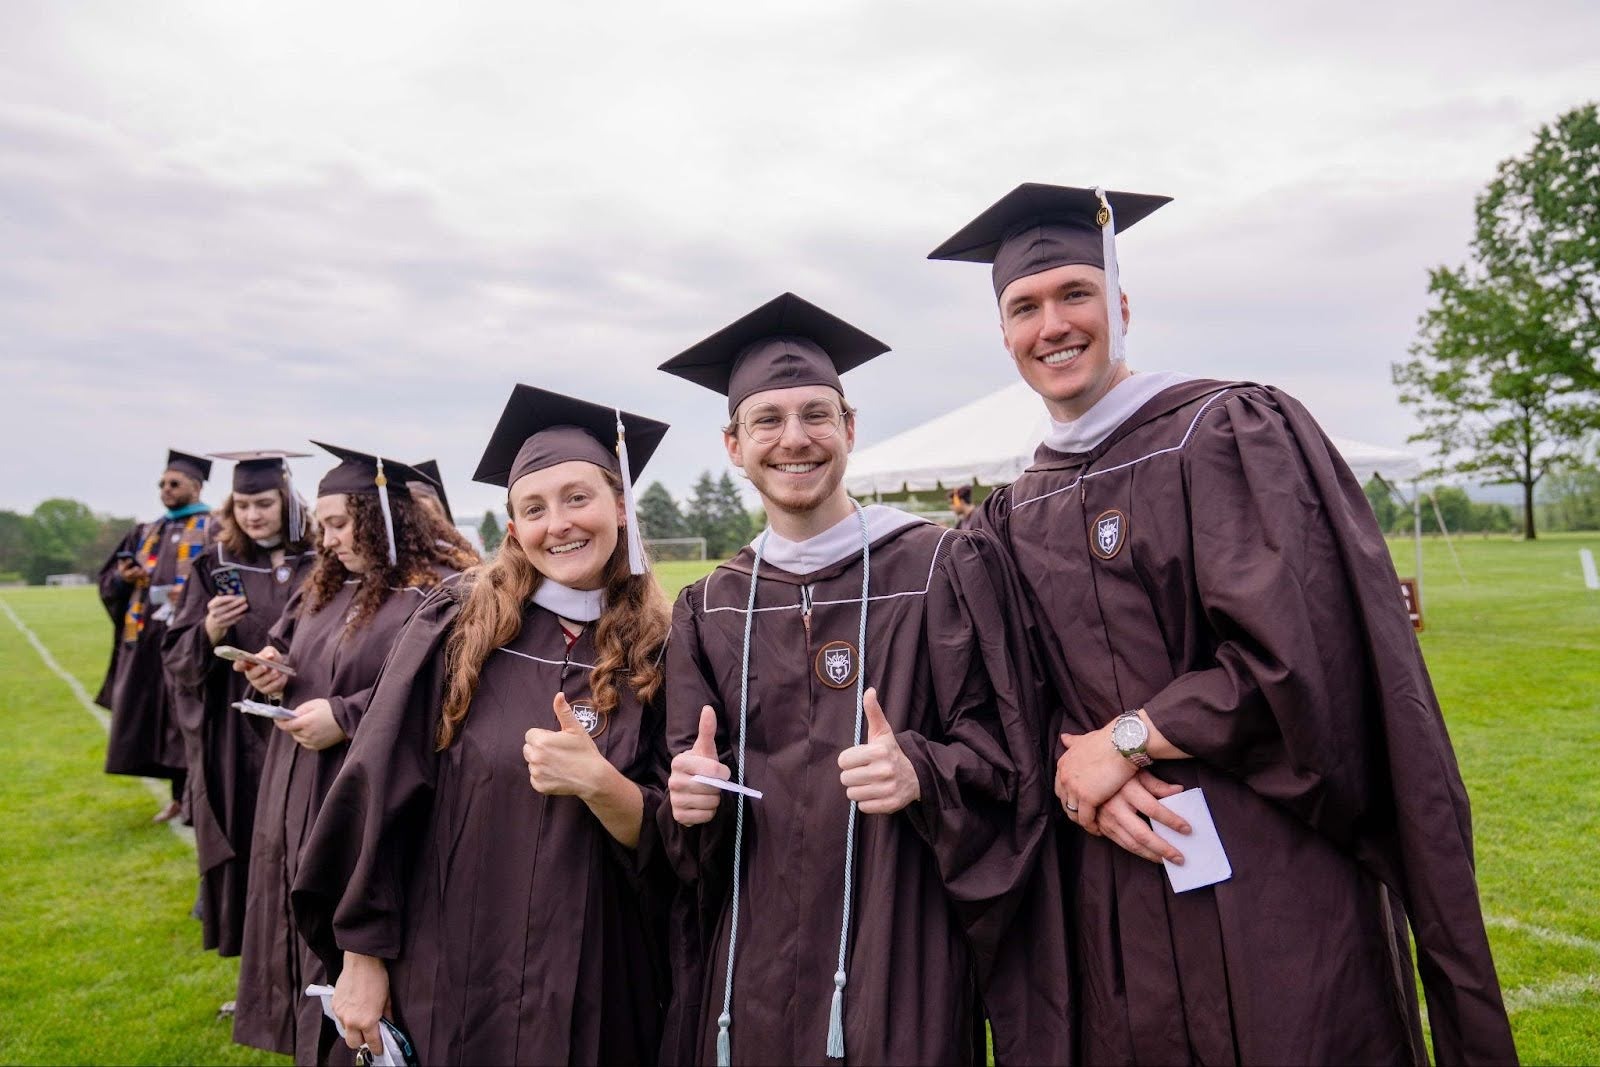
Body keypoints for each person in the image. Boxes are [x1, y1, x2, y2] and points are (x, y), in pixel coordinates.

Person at [929, 182, 1517, 1064]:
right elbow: (1017, 693)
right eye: (1025, 307)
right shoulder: (1012, 513)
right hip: (1119, 881)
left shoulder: (1227, 430)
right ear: (1005, 333)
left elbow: (1303, 656)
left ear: (1120, 305)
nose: (1052, 324)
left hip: (1274, 864)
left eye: (1075, 294)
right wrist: (1076, 761)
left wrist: (1129, 737)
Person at [655, 293, 1051, 1066]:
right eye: (767, 420)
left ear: (851, 428)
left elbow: (1012, 756)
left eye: (816, 415)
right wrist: (689, 795)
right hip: (750, 974)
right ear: (734, 444)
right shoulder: (710, 606)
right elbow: (682, 824)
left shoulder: (940, 566)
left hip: (900, 952)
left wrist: (923, 769)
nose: (793, 438)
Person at [291, 387, 676, 1065]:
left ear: (620, 505)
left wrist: (600, 783)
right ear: (513, 526)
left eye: (577, 497)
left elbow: (678, 839)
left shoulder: (667, 648)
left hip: (600, 979)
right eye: (534, 507)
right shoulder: (456, 626)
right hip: (454, 964)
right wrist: (361, 951)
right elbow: (378, 787)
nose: (558, 523)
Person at [230, 444, 477, 1063]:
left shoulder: (437, 594)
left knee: (354, 922)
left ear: (381, 518)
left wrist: (344, 716)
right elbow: (286, 649)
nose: (329, 538)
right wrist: (271, 670)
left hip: (367, 794)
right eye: (322, 526)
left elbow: (442, 689)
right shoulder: (325, 589)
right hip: (296, 781)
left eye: (340, 523)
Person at [161, 451, 318, 967]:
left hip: (304, 723)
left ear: (287, 502)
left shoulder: (321, 559)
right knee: (251, 848)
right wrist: (209, 630)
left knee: (307, 849)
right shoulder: (216, 564)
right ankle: (259, 978)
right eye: (244, 505)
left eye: (264, 503)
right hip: (237, 736)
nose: (253, 516)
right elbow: (177, 653)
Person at [96, 449, 216, 822]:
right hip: (147, 645)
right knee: (160, 726)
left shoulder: (215, 529)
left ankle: (201, 801)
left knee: (192, 723)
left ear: (195, 487)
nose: (166, 489)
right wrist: (123, 578)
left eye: (174, 483)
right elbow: (108, 581)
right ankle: (179, 798)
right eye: (162, 483)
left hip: (190, 644)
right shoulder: (147, 532)